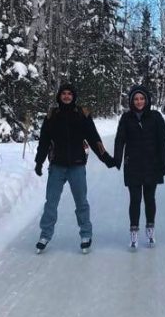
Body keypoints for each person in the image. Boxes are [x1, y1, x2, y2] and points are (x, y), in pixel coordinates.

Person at [33, 83, 115, 254]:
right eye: (64, 93)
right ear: (59, 96)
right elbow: (44, 141)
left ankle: (86, 234)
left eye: (70, 93)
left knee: (81, 203)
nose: (67, 96)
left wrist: (105, 157)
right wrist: (39, 162)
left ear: (74, 96)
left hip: (77, 166)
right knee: (51, 203)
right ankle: (45, 235)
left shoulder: (82, 114)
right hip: (57, 166)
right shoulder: (52, 116)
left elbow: (94, 138)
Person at [113, 84, 165, 250]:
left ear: (147, 100)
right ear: (131, 101)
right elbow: (119, 140)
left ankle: (150, 230)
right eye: (136, 99)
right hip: (133, 166)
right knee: (135, 199)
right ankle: (134, 232)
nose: (139, 102)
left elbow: (163, 142)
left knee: (150, 198)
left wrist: (164, 163)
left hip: (152, 165)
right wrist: (117, 159)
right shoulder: (126, 118)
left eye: (142, 98)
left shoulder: (156, 117)